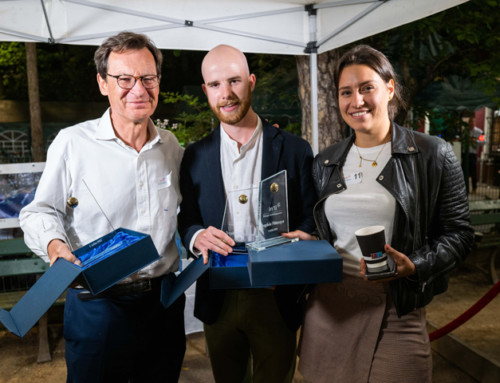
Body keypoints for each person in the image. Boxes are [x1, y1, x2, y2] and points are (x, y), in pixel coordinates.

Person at [289, 45, 474, 382]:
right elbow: (330, 232)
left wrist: (415, 265)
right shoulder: (326, 162)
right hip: (328, 307)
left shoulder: (432, 153)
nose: (356, 100)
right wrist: (309, 239)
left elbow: (460, 235)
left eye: (366, 88)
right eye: (346, 92)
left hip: (396, 308)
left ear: (389, 88)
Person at [19, 31, 186, 383]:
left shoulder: (171, 147)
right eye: (124, 79)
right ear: (102, 83)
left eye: (148, 77)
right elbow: (39, 211)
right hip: (97, 307)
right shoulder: (72, 143)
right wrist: (55, 246)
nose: (138, 89)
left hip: (163, 305)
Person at [177, 44, 316, 383]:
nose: (226, 94)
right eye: (215, 85)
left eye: (234, 81)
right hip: (217, 294)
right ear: (205, 90)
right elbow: (185, 218)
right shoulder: (193, 156)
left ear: (251, 82)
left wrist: (307, 236)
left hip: (276, 295)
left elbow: (313, 215)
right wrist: (196, 235)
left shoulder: (295, 150)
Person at [463, 116, 484, 193]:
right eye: (470, 122)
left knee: (473, 172)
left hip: (473, 154)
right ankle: (464, 188)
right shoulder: (465, 131)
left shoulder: (479, 132)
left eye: (472, 122)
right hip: (465, 153)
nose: (471, 123)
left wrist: (475, 141)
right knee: (464, 171)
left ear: (475, 123)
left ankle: (474, 188)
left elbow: (483, 142)